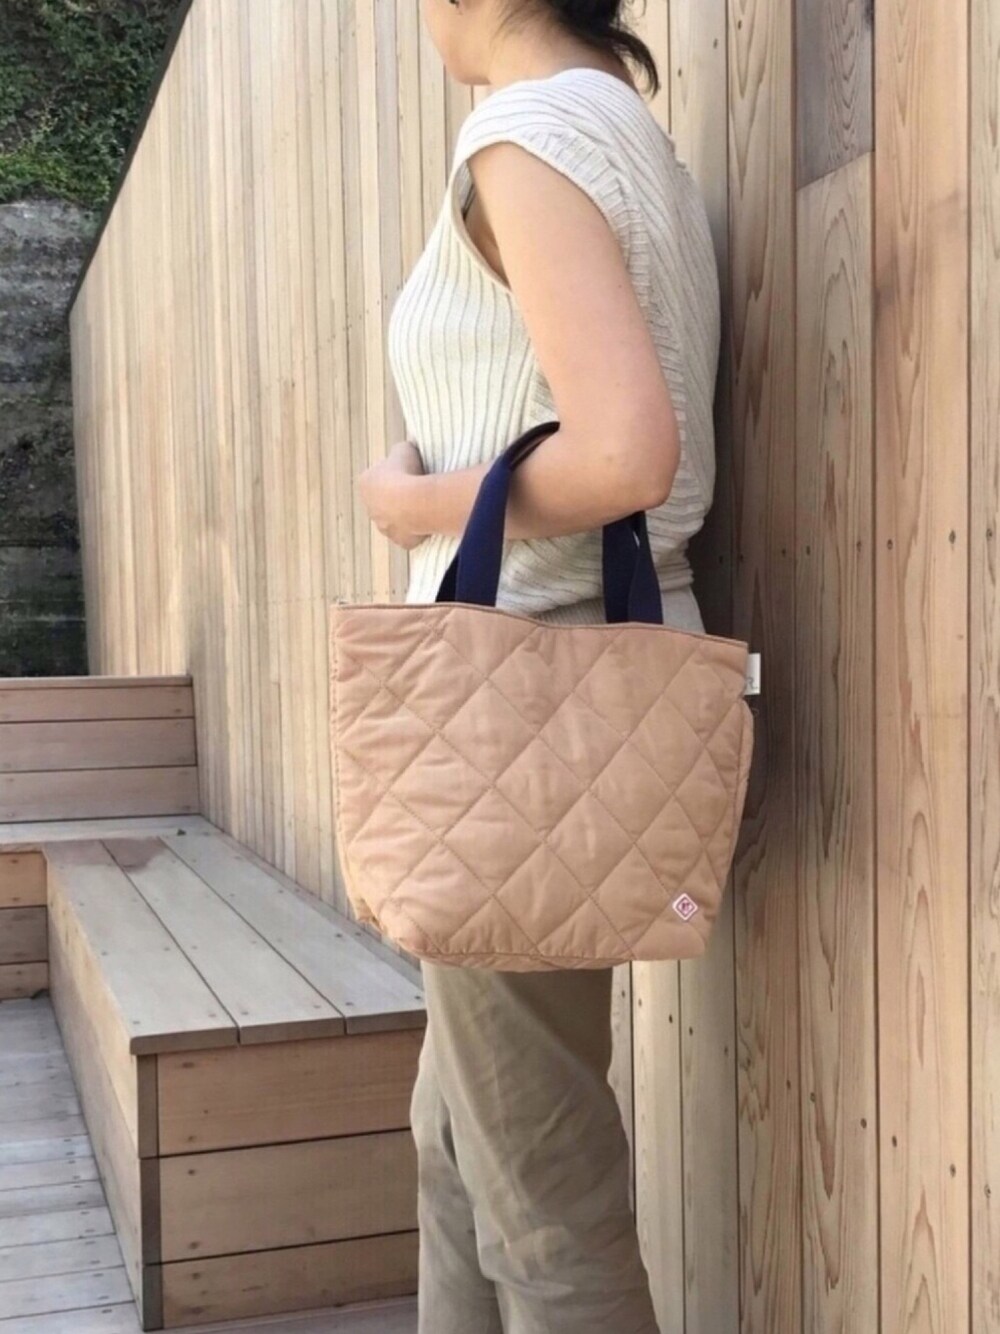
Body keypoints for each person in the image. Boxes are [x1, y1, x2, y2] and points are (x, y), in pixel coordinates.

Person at [357, 3, 721, 1330]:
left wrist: (414, 504)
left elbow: (625, 453)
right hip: (574, 691)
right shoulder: (626, 137)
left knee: (539, 1188)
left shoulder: (524, 139)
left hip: (517, 701)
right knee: (460, 1136)